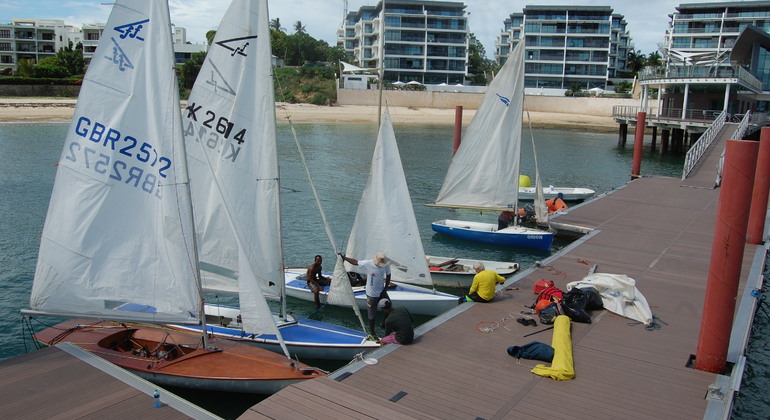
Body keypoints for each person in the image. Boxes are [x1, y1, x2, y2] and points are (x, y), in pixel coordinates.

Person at [338, 251, 391, 339]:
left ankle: (383, 323)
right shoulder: (368, 263)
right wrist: (344, 258)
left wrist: (386, 288)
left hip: (381, 291)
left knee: (388, 306)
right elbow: (355, 262)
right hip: (371, 294)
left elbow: (388, 275)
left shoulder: (386, 264)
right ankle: (372, 333)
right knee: (372, 314)